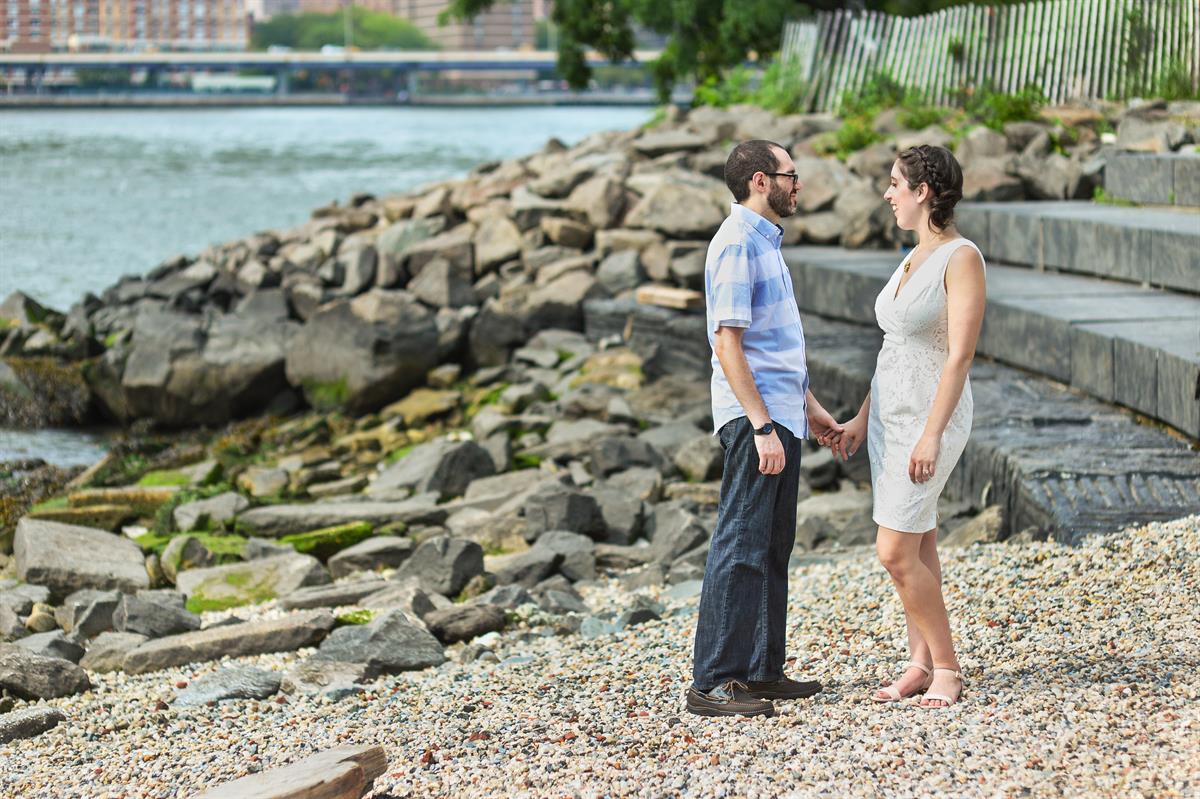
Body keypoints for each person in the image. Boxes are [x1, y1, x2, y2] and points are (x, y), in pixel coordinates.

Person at [687, 139, 845, 718]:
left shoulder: (765, 242)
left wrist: (810, 408)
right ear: (761, 180)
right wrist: (760, 426)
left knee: (772, 546)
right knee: (740, 543)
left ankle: (760, 671)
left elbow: (774, 350)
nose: (798, 184)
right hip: (756, 419)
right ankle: (714, 681)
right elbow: (727, 343)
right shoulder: (736, 243)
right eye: (790, 175)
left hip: (780, 412)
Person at [835, 144, 987, 708]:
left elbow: (959, 356)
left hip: (930, 418)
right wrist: (862, 417)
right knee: (918, 544)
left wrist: (931, 434)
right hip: (889, 417)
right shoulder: (913, 254)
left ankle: (947, 667)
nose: (887, 194)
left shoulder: (961, 258)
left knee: (894, 551)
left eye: (896, 184)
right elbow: (893, 349)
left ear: (923, 192)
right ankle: (918, 664)